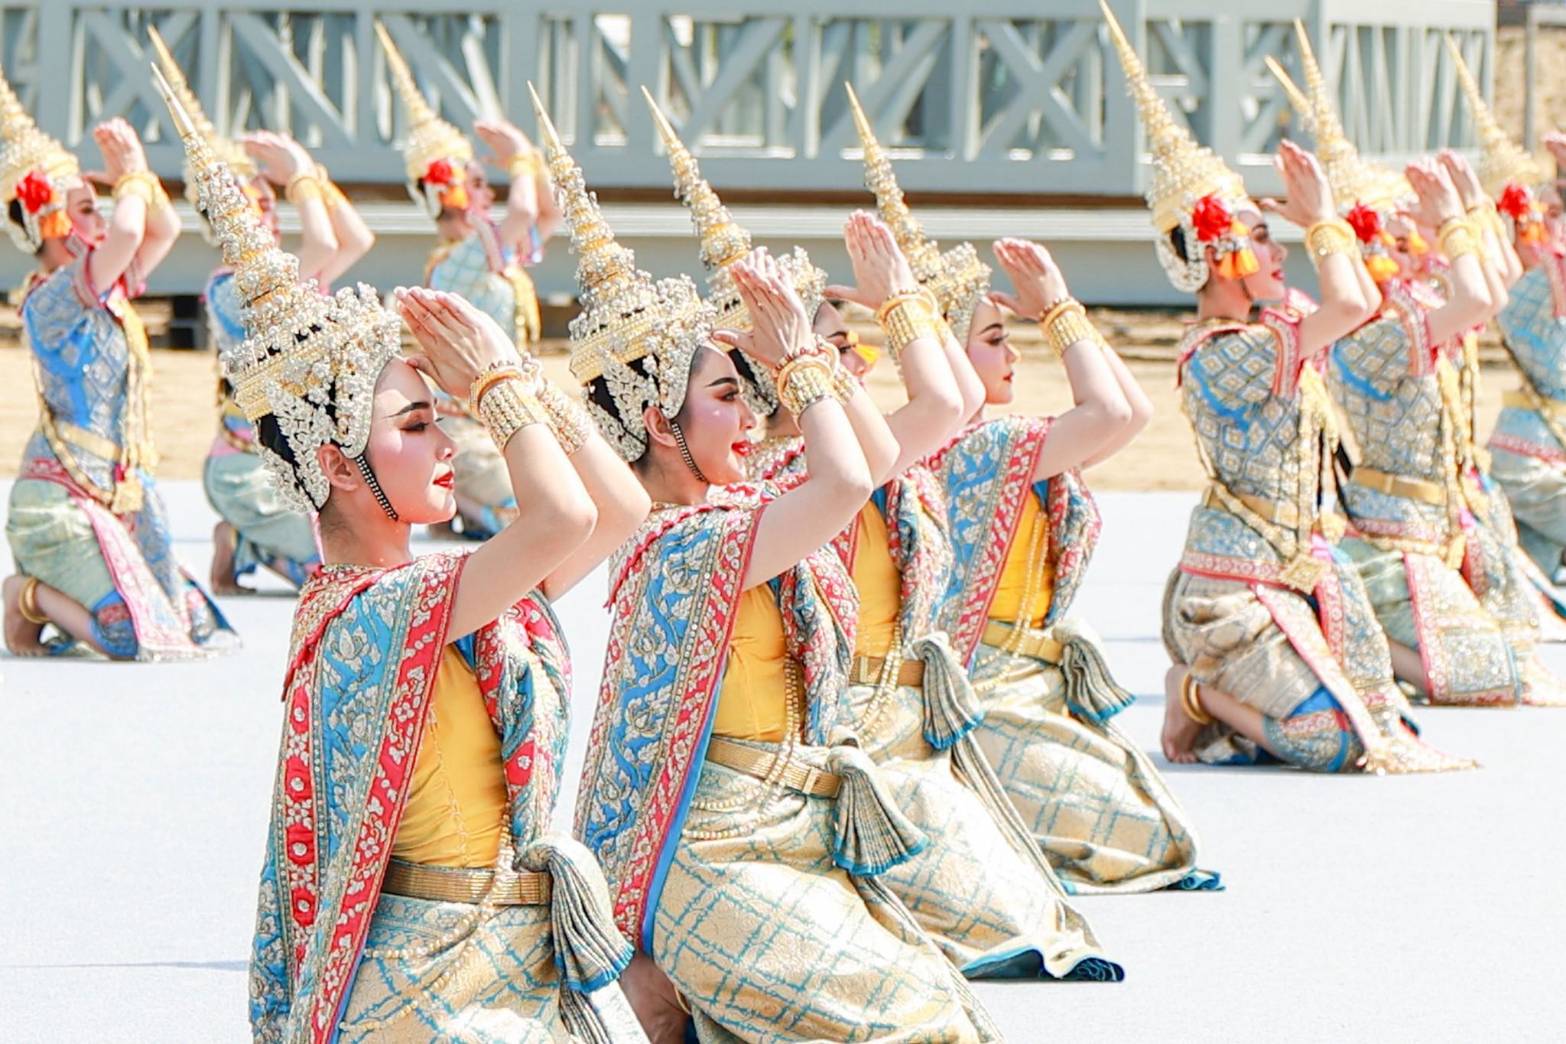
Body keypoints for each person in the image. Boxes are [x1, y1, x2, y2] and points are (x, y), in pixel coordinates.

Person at [151, 69, 648, 1042]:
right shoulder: (371, 614)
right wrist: (497, 384)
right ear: (337, 464)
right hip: (426, 980)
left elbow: (616, 509)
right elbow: (559, 517)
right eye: (418, 425)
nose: (448, 442)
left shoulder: (445, 595)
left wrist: (518, 377)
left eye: (442, 419)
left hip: (507, 960)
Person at [535, 91, 996, 1041]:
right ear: (659, 423)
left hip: (792, 833)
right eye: (725, 396)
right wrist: (796, 361)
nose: (751, 416)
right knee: (919, 1026)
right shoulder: (685, 545)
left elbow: (886, 447)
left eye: (753, 395)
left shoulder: (738, 512)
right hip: (719, 854)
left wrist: (823, 344)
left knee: (949, 1009)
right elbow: (851, 479)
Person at [1099, 3, 1469, 773]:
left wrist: (1360, 223)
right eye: (1262, 238)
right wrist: (1325, 221)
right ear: (1218, 254)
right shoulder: (1222, 355)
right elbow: (1351, 302)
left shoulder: (1277, 326)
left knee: (1386, 728)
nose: (1278, 252)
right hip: (1230, 595)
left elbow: (1363, 297)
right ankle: (1194, 691)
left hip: (1298, 575)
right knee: (1332, 743)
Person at [923, 233, 1217, 893]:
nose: (1013, 353)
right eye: (994, 339)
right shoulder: (982, 449)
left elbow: (1132, 413)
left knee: (1153, 832)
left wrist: (1065, 310)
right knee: (1145, 841)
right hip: (988, 689)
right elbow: (1111, 410)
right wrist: (1056, 310)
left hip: (1033, 677)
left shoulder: (1006, 443)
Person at [1270, 41, 1534, 706]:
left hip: (1446, 516)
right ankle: (1336, 634)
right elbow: (1481, 298)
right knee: (1492, 677)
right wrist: (1453, 222)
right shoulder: (1371, 338)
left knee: (1517, 649)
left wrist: (1467, 213)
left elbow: (1496, 283)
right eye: (1393, 241)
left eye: (1409, 238)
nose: (1412, 250)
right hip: (1396, 532)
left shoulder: (1412, 314)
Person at [2, 60, 233, 660]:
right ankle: (25, 595)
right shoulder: (51, 300)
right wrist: (129, 177)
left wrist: (138, 178)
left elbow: (160, 229)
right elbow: (129, 234)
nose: (100, 217)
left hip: (120, 492)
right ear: (49, 221)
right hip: (60, 503)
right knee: (131, 635)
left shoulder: (106, 289)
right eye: (85, 208)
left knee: (192, 626)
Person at [148, 27, 369, 595]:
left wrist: (313, 176)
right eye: (255, 204)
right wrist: (299, 178)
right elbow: (324, 244)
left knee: (364, 545)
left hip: (303, 458)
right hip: (248, 468)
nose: (268, 212)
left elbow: (355, 240)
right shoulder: (230, 288)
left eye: (271, 201)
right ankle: (243, 535)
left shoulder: (287, 282)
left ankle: (246, 543)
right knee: (336, 566)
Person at [377, 21, 560, 541]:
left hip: (506, 416)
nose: (488, 192)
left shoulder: (486, 252)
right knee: (543, 514)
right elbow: (523, 212)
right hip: (474, 427)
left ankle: (467, 508)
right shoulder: (459, 260)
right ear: (449, 192)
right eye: (477, 182)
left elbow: (547, 213)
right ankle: (466, 503)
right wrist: (520, 159)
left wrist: (531, 162)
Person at [1449, 46, 1566, 615]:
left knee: (1521, 599)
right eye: (1541, 217)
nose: (1549, 227)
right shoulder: (1528, 288)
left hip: (1541, 451)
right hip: (1534, 460)